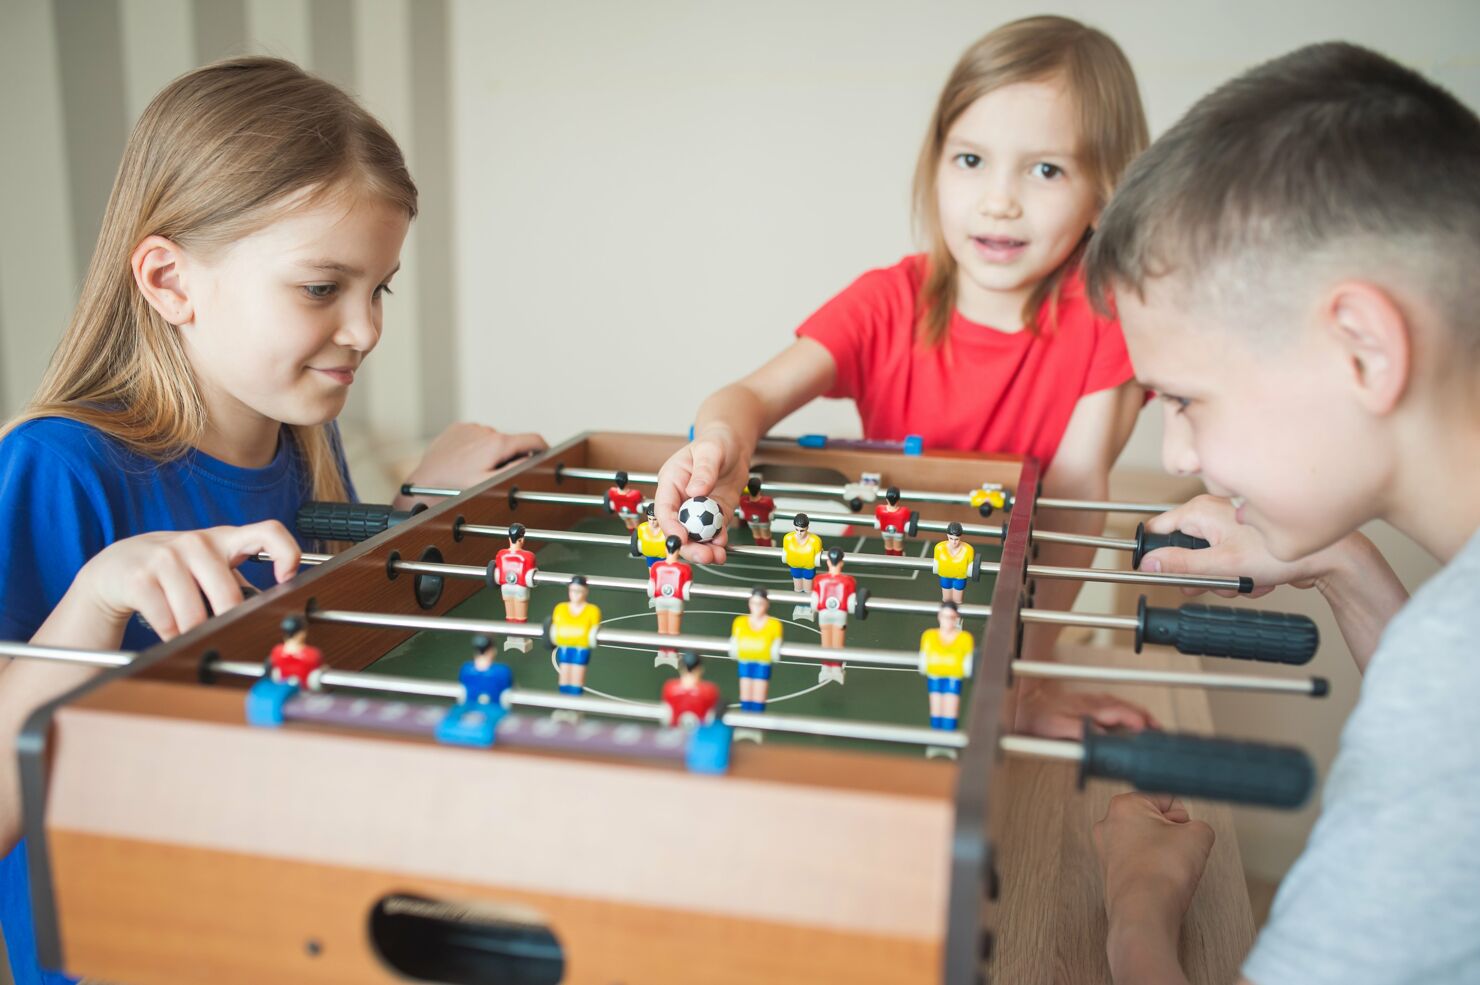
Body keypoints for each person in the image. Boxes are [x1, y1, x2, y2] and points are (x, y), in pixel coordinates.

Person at [0, 57, 545, 985]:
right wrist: (94, 601)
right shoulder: (57, 465)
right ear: (171, 280)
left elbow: (313, 654)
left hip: (289, 910)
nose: (367, 329)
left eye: (380, 288)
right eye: (321, 288)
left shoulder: (300, 440)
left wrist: (412, 511)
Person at [1083, 42, 1480, 985]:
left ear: (1363, 348)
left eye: (1184, 399)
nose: (1177, 452)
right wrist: (1341, 561)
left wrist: (1137, 904)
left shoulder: (1449, 691)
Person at [655, 15, 1158, 739]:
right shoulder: (889, 300)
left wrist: (1022, 678)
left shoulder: (1107, 319)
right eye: (971, 160)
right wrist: (720, 443)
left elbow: (1075, 511)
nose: (999, 200)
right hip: (881, 604)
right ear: (935, 163)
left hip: (1008, 628)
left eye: (1045, 169)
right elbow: (748, 395)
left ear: (1105, 192)